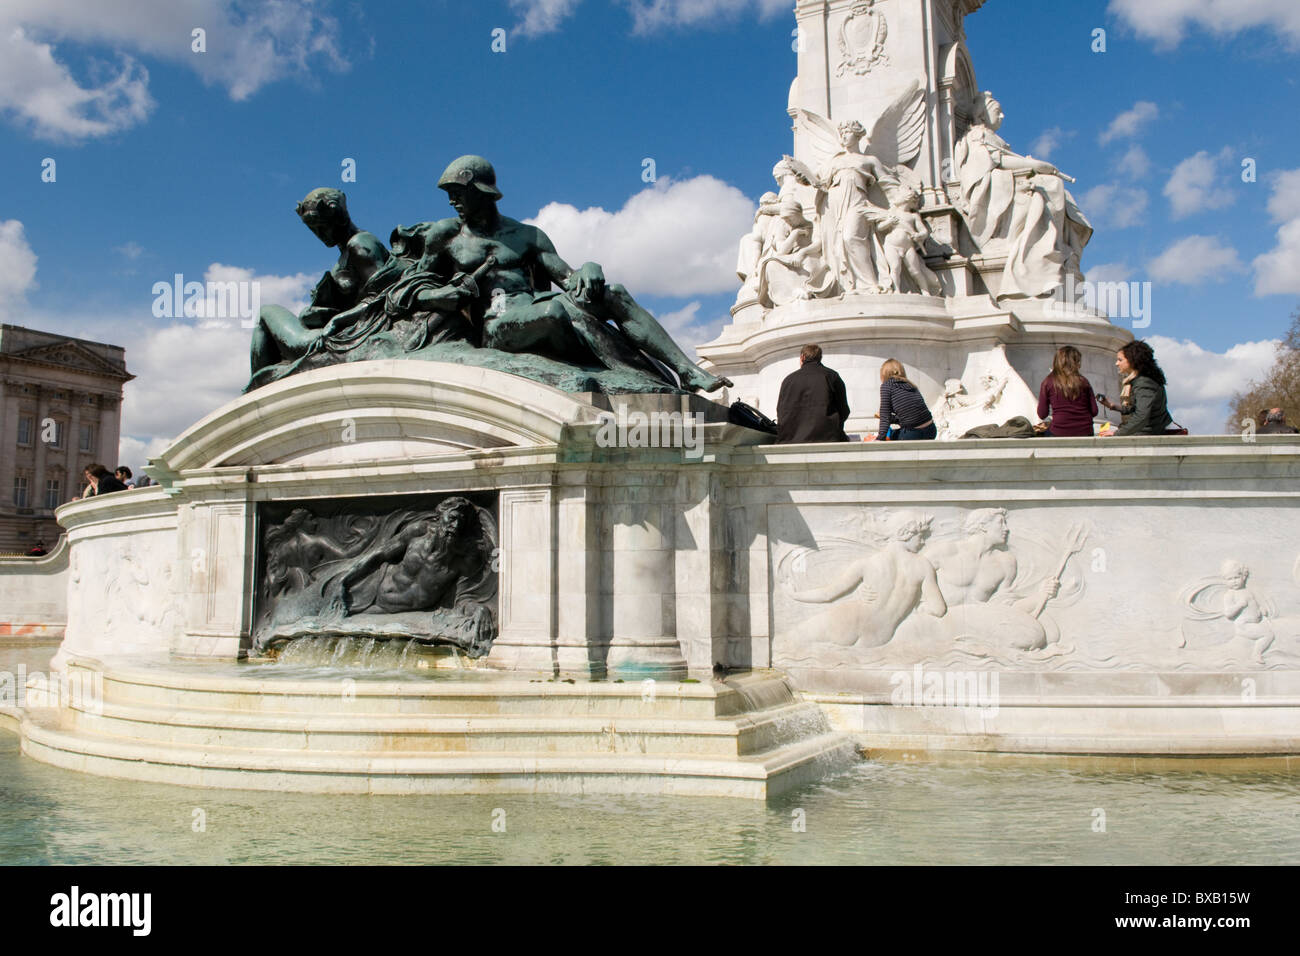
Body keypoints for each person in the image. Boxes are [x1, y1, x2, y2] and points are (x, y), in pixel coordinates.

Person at [776, 344, 851, 443]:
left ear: (802, 357)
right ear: (820, 357)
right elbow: (844, 410)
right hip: (827, 437)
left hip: (791, 438)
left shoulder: (788, 380)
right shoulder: (832, 376)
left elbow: (780, 410)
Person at [1098, 340, 1173, 435]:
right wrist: (1112, 406)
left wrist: (1117, 434)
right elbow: (1138, 408)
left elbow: (1142, 416)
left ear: (1133, 360)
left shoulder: (1144, 383)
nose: (1117, 363)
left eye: (1120, 360)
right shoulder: (1146, 380)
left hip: (1146, 433)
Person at [1037, 345, 1099, 436]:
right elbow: (1094, 411)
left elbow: (1042, 414)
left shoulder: (1048, 382)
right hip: (1085, 431)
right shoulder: (1084, 382)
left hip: (1058, 431)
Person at [876, 358, 936, 440]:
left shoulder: (886, 386)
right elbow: (910, 415)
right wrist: (892, 418)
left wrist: (879, 439)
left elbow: (884, 417)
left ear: (883, 374)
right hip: (931, 430)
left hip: (913, 433)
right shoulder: (910, 384)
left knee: (890, 435)